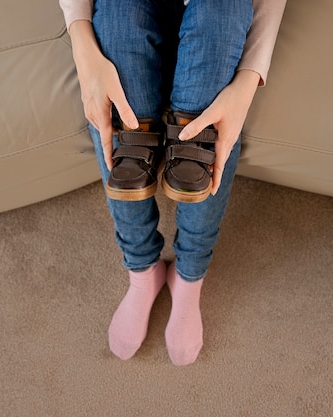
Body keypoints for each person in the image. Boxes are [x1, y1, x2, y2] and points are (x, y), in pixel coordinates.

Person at [59, 0, 286, 366]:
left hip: (213, 33)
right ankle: (142, 270)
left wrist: (248, 80)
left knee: (203, 138)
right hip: (128, 21)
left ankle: (189, 274)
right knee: (117, 27)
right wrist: (82, 44)